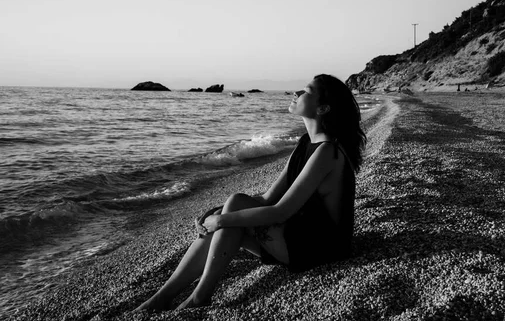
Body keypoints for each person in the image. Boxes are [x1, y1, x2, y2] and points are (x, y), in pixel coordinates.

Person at [136, 74, 366, 311]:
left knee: (232, 210)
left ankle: (199, 297)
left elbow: (280, 211)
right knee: (231, 209)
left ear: (323, 108)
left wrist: (223, 220)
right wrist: (217, 214)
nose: (296, 93)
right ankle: (162, 297)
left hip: (321, 248)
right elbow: (267, 199)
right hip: (298, 237)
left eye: (306, 91)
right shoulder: (305, 143)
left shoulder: (327, 151)